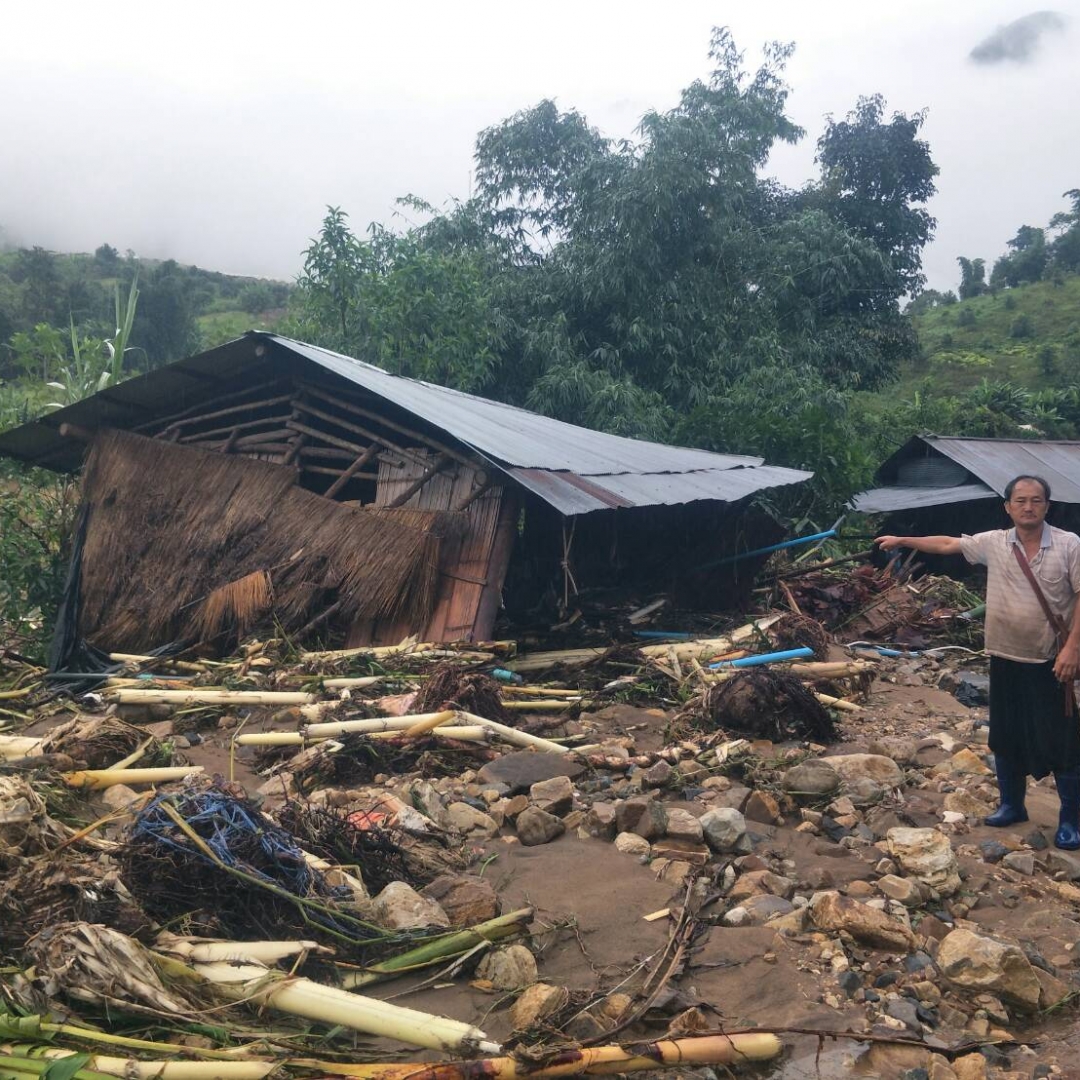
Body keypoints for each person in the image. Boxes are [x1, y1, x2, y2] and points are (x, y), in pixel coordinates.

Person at [876, 475, 1080, 850]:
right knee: (1005, 734)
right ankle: (1011, 806)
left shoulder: (1070, 546)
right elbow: (949, 543)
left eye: (1036, 501)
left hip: (1050, 661)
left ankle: (1070, 820)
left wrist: (1073, 650)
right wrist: (903, 540)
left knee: (1062, 741)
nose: (1028, 507)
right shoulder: (996, 543)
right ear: (1008, 507)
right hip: (1003, 656)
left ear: (1047, 506)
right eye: (1020, 501)